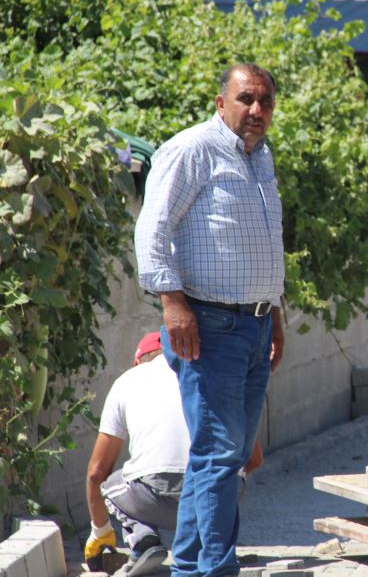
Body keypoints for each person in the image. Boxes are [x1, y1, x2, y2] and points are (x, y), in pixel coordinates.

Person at [134, 63, 285, 577]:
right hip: (208, 326)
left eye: (265, 100)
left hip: (255, 325)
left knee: (226, 454)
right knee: (221, 454)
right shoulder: (191, 149)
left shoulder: (261, 158)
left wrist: (275, 314)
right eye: (246, 98)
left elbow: (262, 244)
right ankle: (214, 571)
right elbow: (152, 231)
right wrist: (172, 304)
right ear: (221, 102)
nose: (257, 110)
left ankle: (192, 566)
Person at [83, 333, 264, 576]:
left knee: (112, 481)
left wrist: (100, 530)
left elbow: (96, 473)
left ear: (139, 361)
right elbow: (254, 460)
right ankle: (207, 538)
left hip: (151, 500)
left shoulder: (128, 380)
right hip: (211, 496)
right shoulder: (214, 377)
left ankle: (141, 537)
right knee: (222, 475)